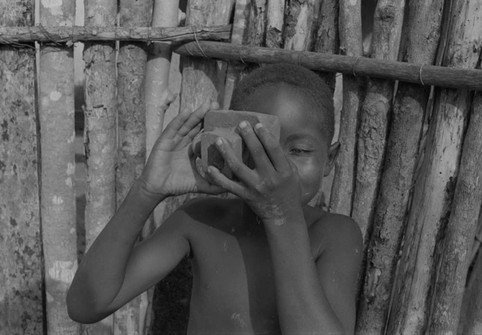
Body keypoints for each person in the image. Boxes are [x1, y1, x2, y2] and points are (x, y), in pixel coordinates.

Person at [67, 63, 363, 334]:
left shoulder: (334, 235)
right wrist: (147, 190)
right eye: (257, 145)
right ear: (231, 146)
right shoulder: (201, 219)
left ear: (330, 160)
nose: (278, 168)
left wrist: (280, 214)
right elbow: (86, 305)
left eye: (298, 151)